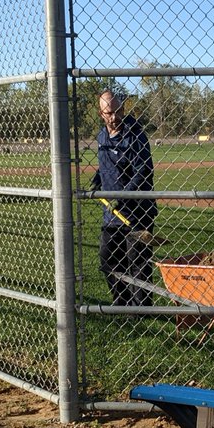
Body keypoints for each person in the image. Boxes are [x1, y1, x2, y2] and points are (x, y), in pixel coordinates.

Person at [90, 90, 157, 307]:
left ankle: (141, 308)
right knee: (108, 258)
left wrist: (124, 194)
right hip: (112, 213)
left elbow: (143, 170)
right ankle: (121, 300)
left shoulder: (135, 135)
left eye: (118, 111)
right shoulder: (102, 136)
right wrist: (98, 177)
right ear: (101, 113)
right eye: (109, 112)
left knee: (137, 261)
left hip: (138, 211)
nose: (114, 117)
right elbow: (106, 164)